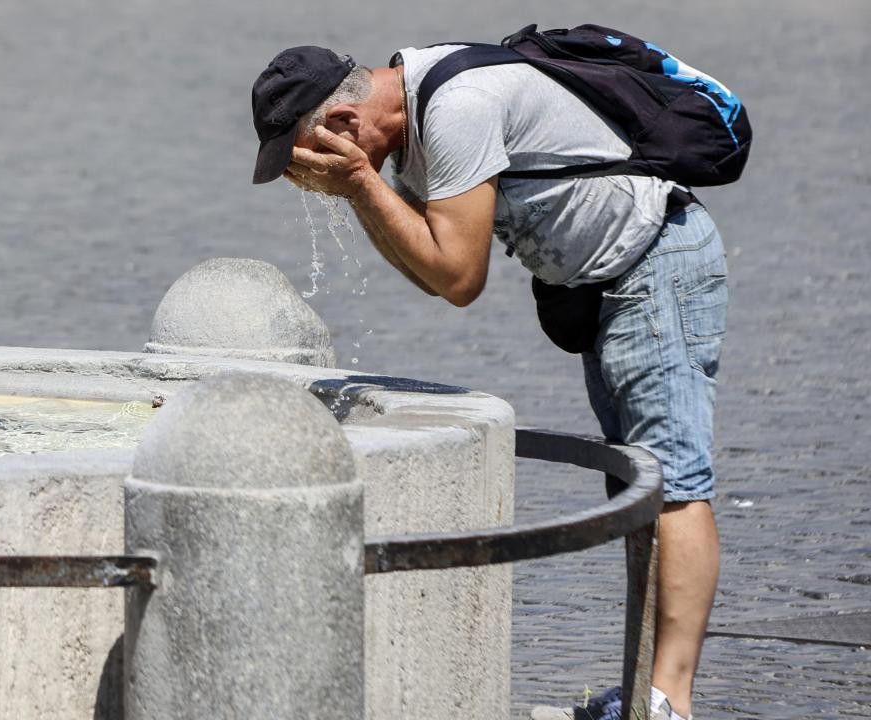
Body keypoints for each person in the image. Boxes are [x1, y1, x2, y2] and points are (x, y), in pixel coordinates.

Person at [250, 45, 728, 720]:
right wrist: (367, 188)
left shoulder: (455, 110)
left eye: (305, 157)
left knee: (671, 482)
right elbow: (434, 271)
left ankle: (668, 704)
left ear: (345, 122)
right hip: (619, 280)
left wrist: (361, 185)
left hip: (656, 266)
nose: (306, 180)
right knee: (637, 485)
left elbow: (459, 276)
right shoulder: (416, 117)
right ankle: (646, 693)